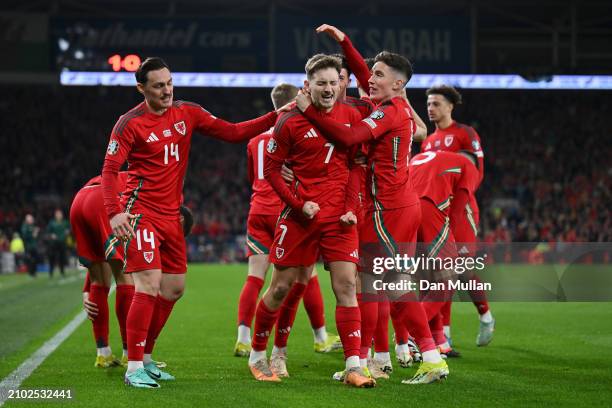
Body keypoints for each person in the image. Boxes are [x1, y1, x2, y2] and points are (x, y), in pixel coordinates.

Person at [101, 57, 286, 389]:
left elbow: (233, 132)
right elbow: (109, 171)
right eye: (158, 85)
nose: (167, 90)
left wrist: (277, 115)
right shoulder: (129, 123)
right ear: (141, 88)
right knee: (148, 284)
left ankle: (145, 357)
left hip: (172, 214)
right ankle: (132, 367)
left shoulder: (187, 112)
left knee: (174, 289)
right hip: (140, 212)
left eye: (169, 82)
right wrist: (115, 212)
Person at [295, 24, 448, 385]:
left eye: (379, 75)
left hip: (389, 209)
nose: (370, 79)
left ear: (398, 85)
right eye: (371, 73)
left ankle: (430, 357)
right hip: (396, 205)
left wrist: (309, 111)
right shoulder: (391, 102)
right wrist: (344, 42)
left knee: (394, 284)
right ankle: (372, 359)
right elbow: (366, 78)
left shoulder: (390, 112)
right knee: (373, 284)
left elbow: (349, 136)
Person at [248, 54, 373, 387]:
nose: (329, 89)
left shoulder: (354, 115)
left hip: (340, 219)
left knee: (346, 286)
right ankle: (258, 355)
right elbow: (272, 169)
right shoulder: (289, 121)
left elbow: (358, 164)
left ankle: (353, 366)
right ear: (308, 86)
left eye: (334, 82)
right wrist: (298, 203)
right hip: (301, 217)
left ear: (341, 83)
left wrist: (353, 208)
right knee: (281, 288)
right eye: (321, 83)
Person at [235, 83, 341, 359]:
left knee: (255, 276)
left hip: (258, 209)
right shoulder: (297, 132)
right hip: (287, 209)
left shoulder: (255, 141)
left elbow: (252, 176)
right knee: (307, 275)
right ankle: (320, 336)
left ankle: (243, 338)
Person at [422, 85, 494, 346]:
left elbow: (478, 171)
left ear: (450, 106)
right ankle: (445, 335)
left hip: (461, 209)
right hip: (437, 212)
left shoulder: (465, 134)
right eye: (429, 104)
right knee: (439, 271)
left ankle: (485, 314)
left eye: (436, 103)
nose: (431, 108)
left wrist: (459, 196)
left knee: (462, 268)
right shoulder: (428, 142)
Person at [409, 150, 481, 358]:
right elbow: (458, 210)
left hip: (404, 208)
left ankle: (438, 341)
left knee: (426, 280)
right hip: (429, 206)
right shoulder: (469, 166)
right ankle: (412, 335)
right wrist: (452, 241)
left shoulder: (429, 157)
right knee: (449, 278)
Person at [71, 172, 132, 368]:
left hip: (79, 201)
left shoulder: (132, 172)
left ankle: (103, 353)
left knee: (100, 280)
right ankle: (129, 354)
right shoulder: (157, 185)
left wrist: (86, 289)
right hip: (104, 201)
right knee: (125, 279)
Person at [46, 209, 70, 278]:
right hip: (54, 243)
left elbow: (69, 228)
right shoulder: (52, 222)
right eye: (57, 214)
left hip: (62, 243)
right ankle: (51, 272)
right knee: (52, 257)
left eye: (60, 214)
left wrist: (68, 231)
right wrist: (51, 235)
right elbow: (48, 231)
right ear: (55, 215)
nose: (59, 215)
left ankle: (62, 272)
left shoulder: (65, 222)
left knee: (62, 258)